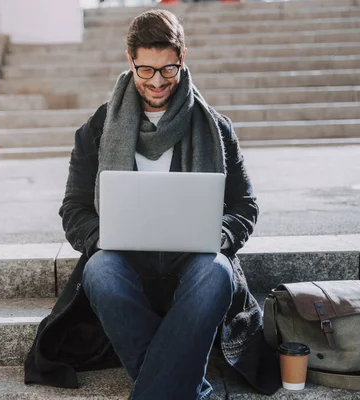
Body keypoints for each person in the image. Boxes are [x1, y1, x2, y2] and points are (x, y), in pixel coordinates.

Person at [25, 9, 280, 399]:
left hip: (192, 266)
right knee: (99, 271)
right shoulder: (97, 129)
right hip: (127, 264)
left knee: (217, 272)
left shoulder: (216, 127)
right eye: (146, 70)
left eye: (168, 69)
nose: (158, 81)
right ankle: (186, 389)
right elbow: (74, 210)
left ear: (183, 58)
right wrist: (104, 237)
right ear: (130, 61)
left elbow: (245, 206)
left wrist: (218, 234)